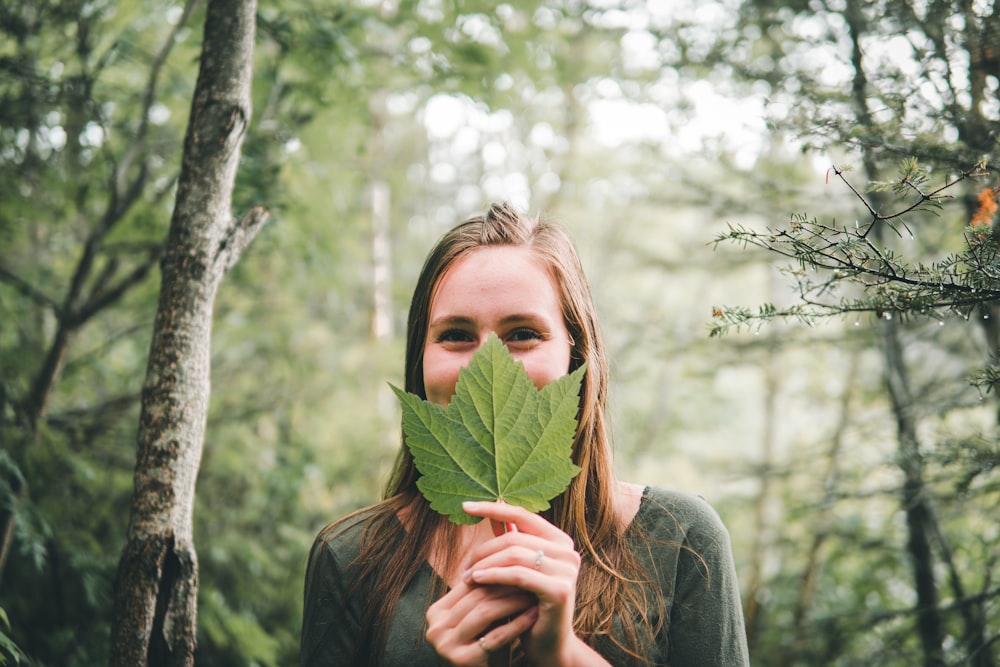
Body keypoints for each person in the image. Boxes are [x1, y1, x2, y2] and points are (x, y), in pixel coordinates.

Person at [300, 202, 750, 667]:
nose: (488, 367)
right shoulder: (352, 556)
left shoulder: (681, 540)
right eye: (455, 334)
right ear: (420, 359)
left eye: (522, 333)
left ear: (576, 355)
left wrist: (564, 658)